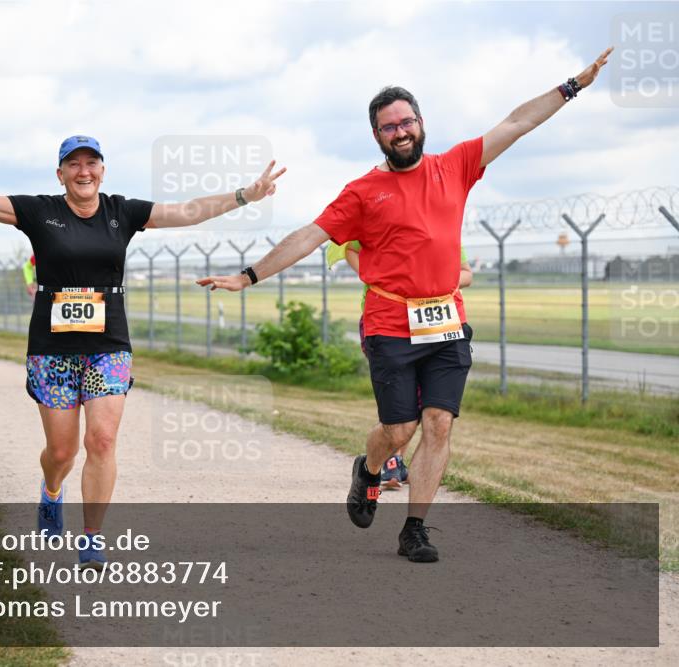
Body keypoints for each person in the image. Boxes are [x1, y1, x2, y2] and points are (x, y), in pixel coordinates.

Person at [199, 48, 612, 563]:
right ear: (377, 136)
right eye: (389, 126)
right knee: (399, 430)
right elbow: (309, 236)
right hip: (391, 324)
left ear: (421, 123)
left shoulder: (457, 166)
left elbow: (517, 122)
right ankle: (369, 470)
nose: (400, 131)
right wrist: (248, 276)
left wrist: (573, 86)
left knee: (438, 423)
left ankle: (414, 528)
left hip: (446, 320)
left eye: (407, 121)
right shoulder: (363, 192)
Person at [0, 135, 284, 568]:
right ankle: (51, 491)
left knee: (101, 439)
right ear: (60, 173)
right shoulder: (39, 211)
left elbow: (186, 211)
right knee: (62, 452)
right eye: (74, 164)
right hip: (53, 349)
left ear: (103, 170)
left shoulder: (122, 212)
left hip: (108, 347)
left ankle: (91, 538)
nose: (84, 171)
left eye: (92, 163)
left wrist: (245, 196)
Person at [328, 241, 473, 489]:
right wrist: (380, 278)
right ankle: (384, 462)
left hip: (435, 322)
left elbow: (467, 273)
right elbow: (351, 249)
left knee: (430, 407)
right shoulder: (383, 216)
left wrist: (434, 283)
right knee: (402, 401)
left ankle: (394, 461)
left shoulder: (440, 226)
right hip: (388, 323)